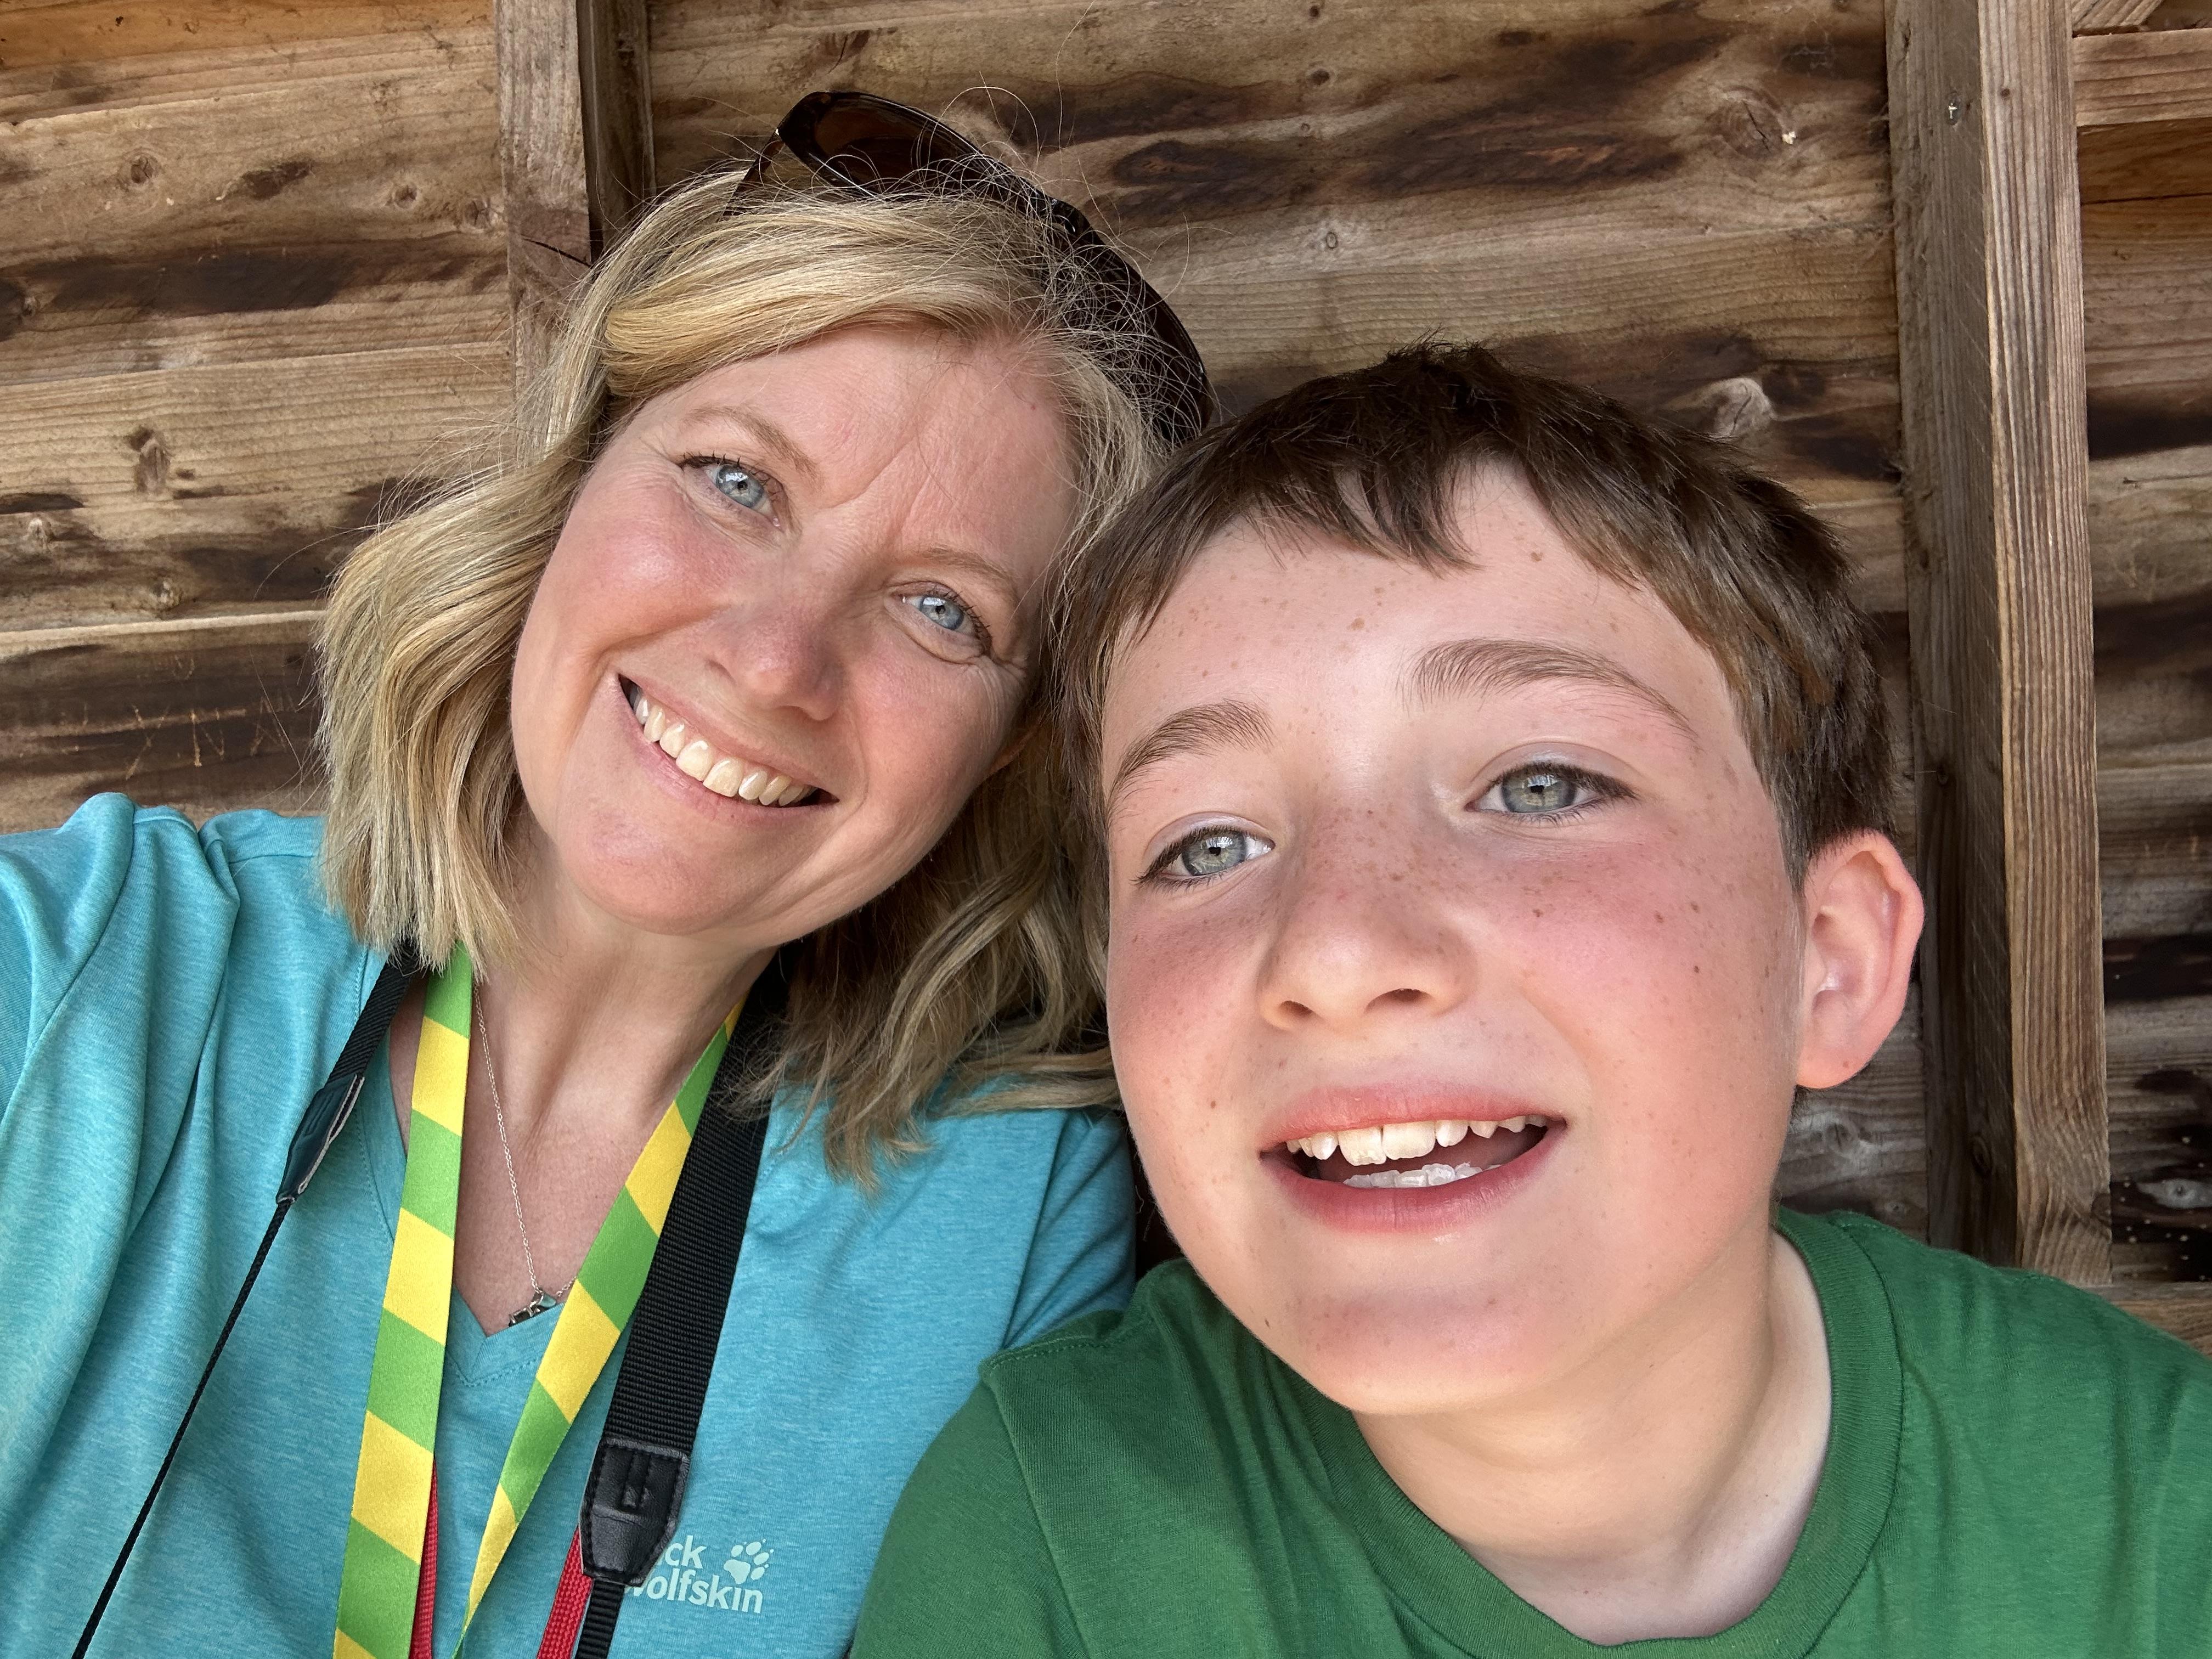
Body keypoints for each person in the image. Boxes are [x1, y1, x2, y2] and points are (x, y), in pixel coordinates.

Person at [0, 93, 1209, 1659]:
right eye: (737, 483)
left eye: (941, 611)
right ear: (573, 474)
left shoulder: (1008, 1199)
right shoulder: (86, 972)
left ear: (1008, 754)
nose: (775, 661)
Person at [852, 344, 2212, 1657]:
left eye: (1538, 786)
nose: (1334, 952)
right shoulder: (1047, 1546)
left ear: (1830, 959)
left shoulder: (2157, 1509)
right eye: (1206, 846)